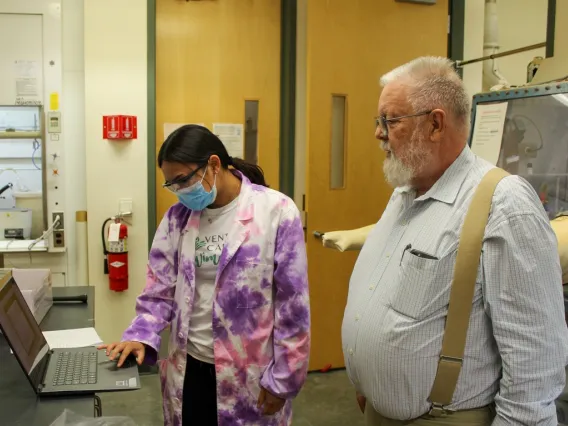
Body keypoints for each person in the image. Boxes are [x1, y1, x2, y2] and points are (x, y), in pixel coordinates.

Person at [342, 56, 568, 426]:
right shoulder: (405, 194)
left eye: (390, 120)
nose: (378, 133)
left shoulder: (504, 205)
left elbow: (535, 365)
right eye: (379, 121)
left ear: (435, 124)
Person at [99, 125, 310, 426]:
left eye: (183, 180)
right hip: (189, 371)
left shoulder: (276, 212)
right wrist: (140, 336)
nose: (179, 190)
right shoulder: (177, 218)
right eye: (171, 184)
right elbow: (158, 290)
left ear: (213, 164)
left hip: (250, 376)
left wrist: (285, 378)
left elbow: (294, 306)